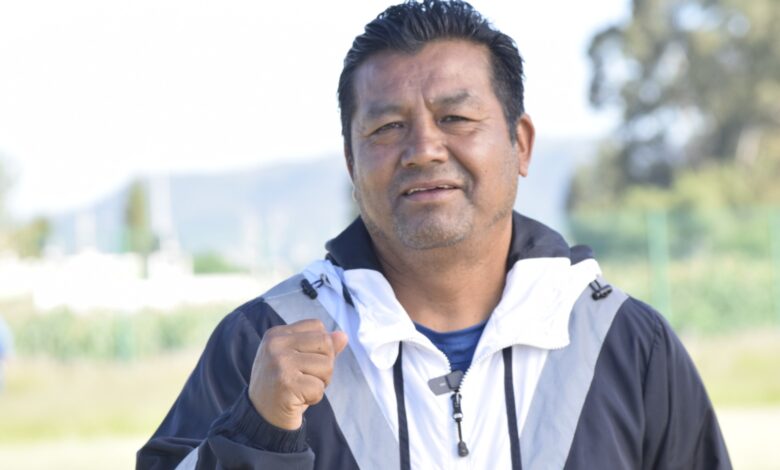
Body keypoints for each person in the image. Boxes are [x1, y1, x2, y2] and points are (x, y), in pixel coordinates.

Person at [137, 1, 731, 468]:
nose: (423, 149)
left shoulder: (629, 344)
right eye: (387, 127)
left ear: (520, 144)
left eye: (456, 118)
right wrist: (258, 431)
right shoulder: (261, 343)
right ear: (351, 163)